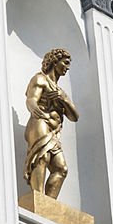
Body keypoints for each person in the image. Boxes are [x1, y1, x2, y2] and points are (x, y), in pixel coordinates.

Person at [23, 48, 78, 199]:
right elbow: (31, 99)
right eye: (65, 63)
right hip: (40, 122)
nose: (67, 67)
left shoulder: (60, 91)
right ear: (55, 61)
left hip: (54, 131)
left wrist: (64, 99)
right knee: (42, 157)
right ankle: (38, 198)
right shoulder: (40, 79)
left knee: (61, 169)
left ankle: (48, 204)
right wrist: (35, 109)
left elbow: (74, 116)